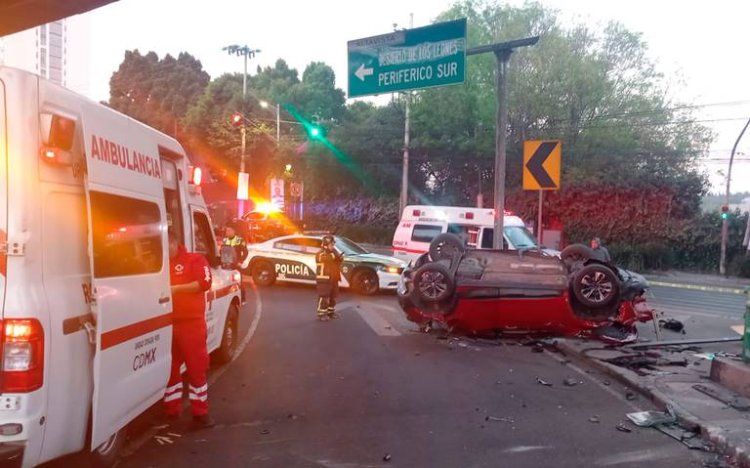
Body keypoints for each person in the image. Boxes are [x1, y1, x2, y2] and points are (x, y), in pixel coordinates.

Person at [162, 234, 215, 429]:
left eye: (168, 244)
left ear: (175, 243)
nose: (165, 248)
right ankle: (171, 410)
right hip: (167, 323)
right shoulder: (160, 263)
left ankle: (200, 412)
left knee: (196, 368)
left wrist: (176, 289)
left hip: (191, 324)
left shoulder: (195, 260)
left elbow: (204, 283)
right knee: (170, 369)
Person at [315, 235, 343, 320]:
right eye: (331, 244)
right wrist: (334, 256)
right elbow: (326, 259)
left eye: (333, 244)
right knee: (324, 296)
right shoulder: (320, 253)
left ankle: (330, 312)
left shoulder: (333, 251)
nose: (333, 246)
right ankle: (321, 314)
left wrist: (340, 258)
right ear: (326, 245)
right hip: (324, 278)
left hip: (333, 277)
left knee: (333, 296)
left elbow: (339, 259)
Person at [222, 223, 248, 303]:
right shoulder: (225, 240)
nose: (227, 232)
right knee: (226, 282)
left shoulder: (240, 240)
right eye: (226, 230)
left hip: (236, 264)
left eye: (229, 230)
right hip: (226, 264)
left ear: (234, 231)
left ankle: (243, 298)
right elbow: (222, 251)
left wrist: (240, 261)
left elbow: (245, 252)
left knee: (239, 282)